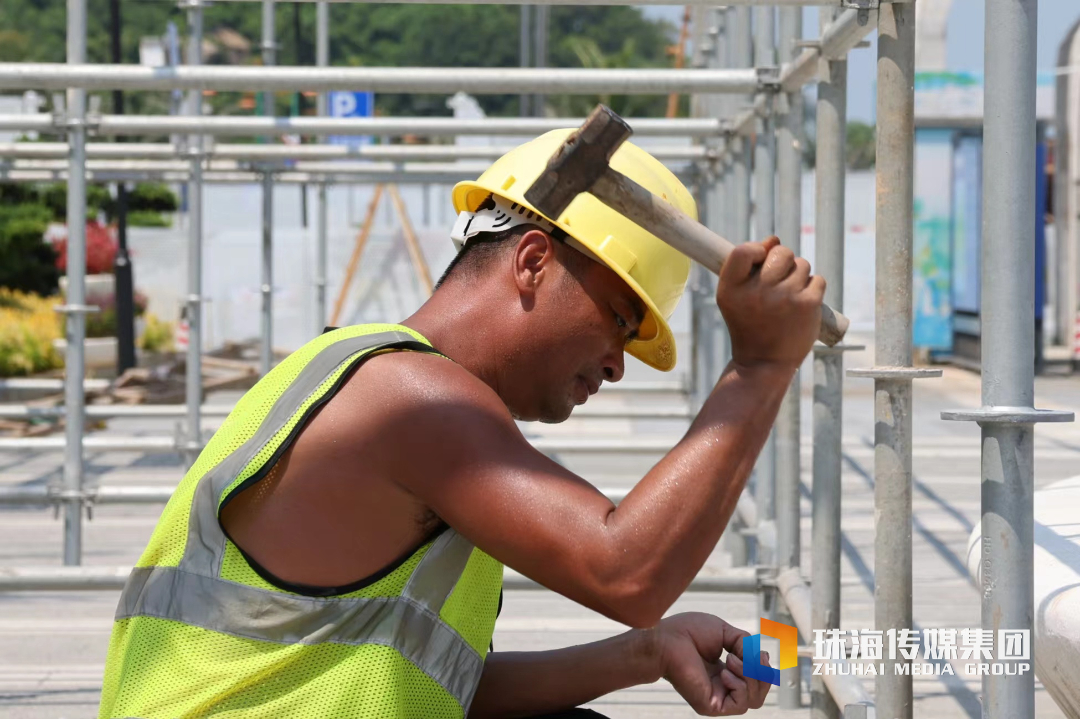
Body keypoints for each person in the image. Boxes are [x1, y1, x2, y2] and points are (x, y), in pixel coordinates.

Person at [97, 129, 823, 719]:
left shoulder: (368, 375)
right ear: (534, 261)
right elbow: (624, 570)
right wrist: (759, 367)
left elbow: (436, 689)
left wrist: (645, 653)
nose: (617, 366)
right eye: (620, 321)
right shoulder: (409, 397)